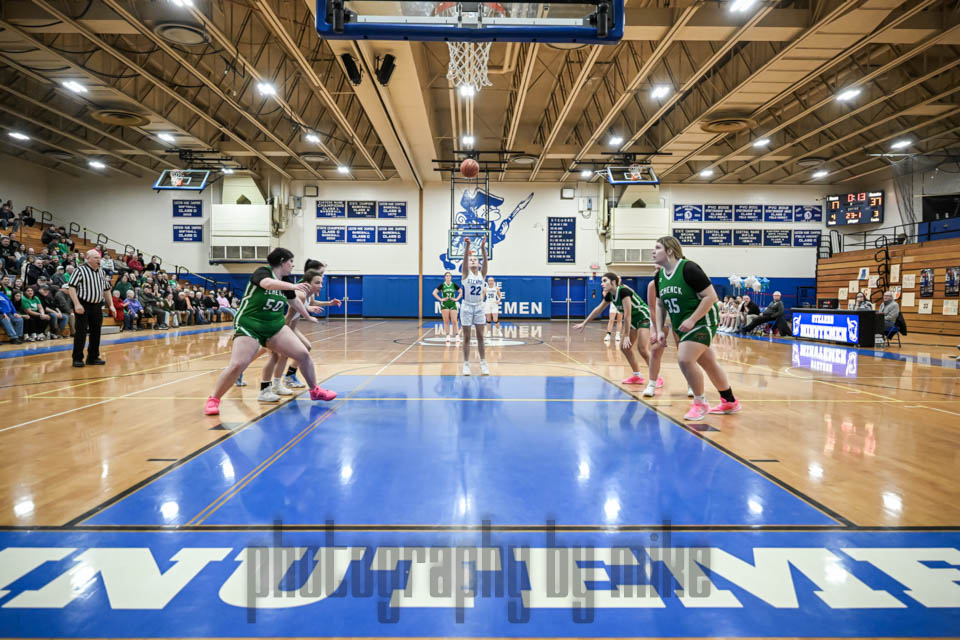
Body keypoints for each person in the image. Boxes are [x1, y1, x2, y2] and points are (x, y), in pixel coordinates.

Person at [204, 248, 336, 416]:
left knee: (303, 354)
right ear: (282, 261)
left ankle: (315, 390)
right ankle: (214, 399)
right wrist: (293, 286)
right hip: (250, 323)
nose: (293, 265)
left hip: (274, 325)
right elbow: (267, 284)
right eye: (291, 261)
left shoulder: (285, 280)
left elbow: (294, 301)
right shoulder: (263, 272)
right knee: (238, 364)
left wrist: (307, 315)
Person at [653, 236, 739, 419]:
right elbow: (660, 305)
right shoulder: (659, 276)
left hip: (702, 321)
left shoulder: (689, 268)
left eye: (658, 247)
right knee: (709, 363)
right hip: (681, 324)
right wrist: (659, 330)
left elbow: (711, 296)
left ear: (669, 251)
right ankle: (729, 401)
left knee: (685, 359)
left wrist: (692, 319)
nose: (653, 251)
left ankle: (700, 403)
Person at [258, 267, 342, 400]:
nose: (321, 285)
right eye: (318, 282)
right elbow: (291, 309)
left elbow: (311, 302)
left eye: (321, 282)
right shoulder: (300, 294)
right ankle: (278, 382)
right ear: (308, 282)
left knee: (304, 348)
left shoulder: (308, 294)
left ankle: (286, 378)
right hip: (284, 327)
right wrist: (281, 335)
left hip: (292, 328)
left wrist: (328, 303)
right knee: (277, 355)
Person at [574, 272, 652, 385]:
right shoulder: (610, 295)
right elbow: (598, 309)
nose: (602, 284)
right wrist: (584, 323)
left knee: (642, 348)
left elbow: (627, 314)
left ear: (613, 282)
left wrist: (626, 335)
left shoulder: (624, 291)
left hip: (643, 317)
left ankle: (656, 377)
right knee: (625, 348)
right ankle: (637, 376)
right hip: (633, 320)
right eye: (601, 281)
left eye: (604, 281)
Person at [66, 248, 116, 367]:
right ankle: (77, 358)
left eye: (99, 258)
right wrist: (77, 304)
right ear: (88, 259)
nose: (99, 260)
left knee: (96, 332)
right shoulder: (79, 270)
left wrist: (111, 305)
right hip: (83, 304)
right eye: (96, 258)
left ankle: (93, 357)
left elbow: (106, 290)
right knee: (81, 332)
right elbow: (71, 288)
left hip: (97, 305)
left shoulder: (101, 272)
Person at [643, 271, 685, 399]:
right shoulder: (653, 284)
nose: (656, 269)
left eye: (659, 267)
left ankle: (691, 385)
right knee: (656, 348)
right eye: (655, 267)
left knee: (683, 351)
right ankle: (652, 383)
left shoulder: (679, 280)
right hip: (660, 316)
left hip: (678, 314)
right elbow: (652, 308)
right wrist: (657, 330)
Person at [459, 237, 489, 375]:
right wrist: (467, 246)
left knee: (480, 336)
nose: (472, 261)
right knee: (466, 337)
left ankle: (483, 363)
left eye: (475, 259)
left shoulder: (482, 275)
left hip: (479, 306)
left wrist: (482, 248)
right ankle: (466, 364)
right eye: (471, 259)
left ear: (478, 263)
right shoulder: (466, 274)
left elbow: (486, 261)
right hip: (466, 306)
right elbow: (465, 259)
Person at [433, 272, 462, 345]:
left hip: (452, 304)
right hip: (445, 304)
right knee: (446, 321)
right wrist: (440, 299)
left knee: (454, 321)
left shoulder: (454, 284)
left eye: (449, 276)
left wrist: (456, 299)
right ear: (445, 277)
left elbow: (461, 292)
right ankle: (448, 335)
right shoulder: (442, 285)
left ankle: (457, 335)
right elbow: (434, 293)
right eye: (447, 276)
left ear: (451, 277)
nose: (448, 277)